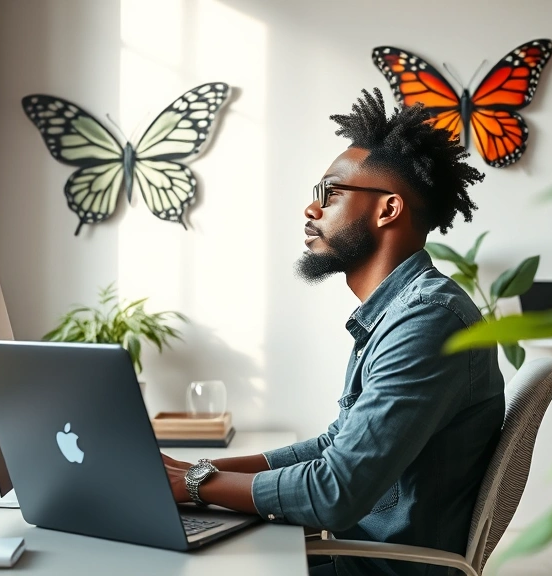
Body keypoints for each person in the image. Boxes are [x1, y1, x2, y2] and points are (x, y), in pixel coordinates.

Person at [162, 88, 505, 576]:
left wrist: (191, 484)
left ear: (388, 210)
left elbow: (335, 491)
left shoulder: (428, 321)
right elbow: (332, 449)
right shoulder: (399, 313)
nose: (310, 209)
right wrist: (191, 471)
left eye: (330, 192)